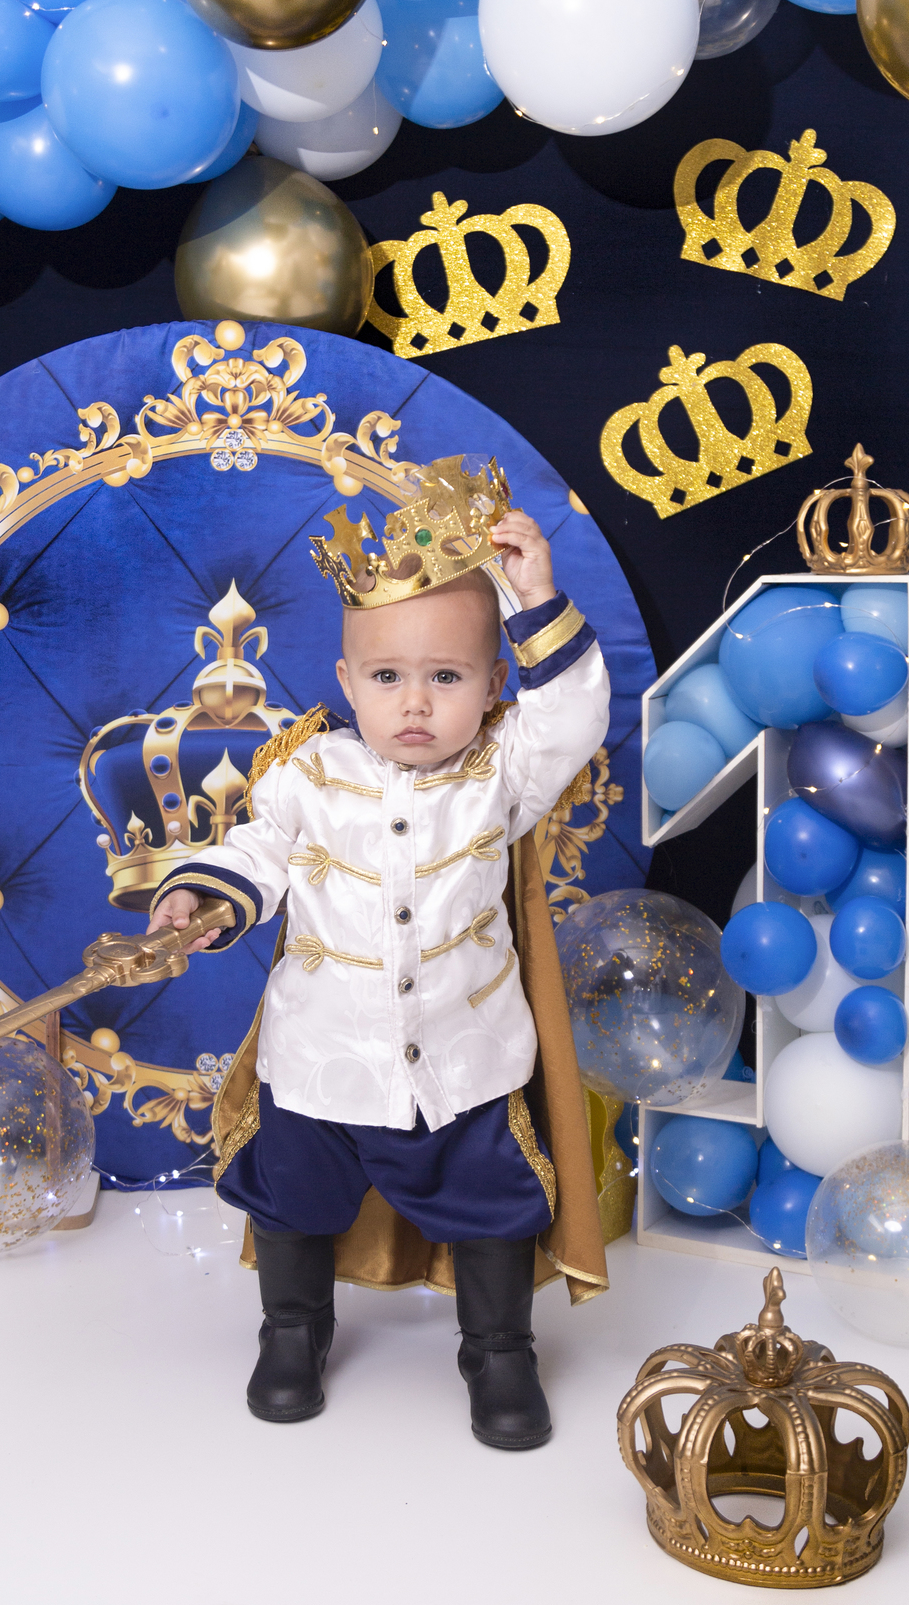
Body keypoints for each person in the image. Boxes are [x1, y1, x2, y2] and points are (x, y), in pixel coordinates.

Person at [148, 458, 610, 1449]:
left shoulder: (504, 771)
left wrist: (535, 597)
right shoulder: (306, 772)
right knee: (293, 1197)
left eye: (447, 677)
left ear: (492, 684)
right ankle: (292, 1330)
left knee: (492, 1202)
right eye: (388, 677)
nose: (415, 704)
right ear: (347, 681)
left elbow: (574, 715)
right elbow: (257, 852)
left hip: (466, 1057)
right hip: (321, 1058)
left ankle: (498, 1349)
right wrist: (203, 894)